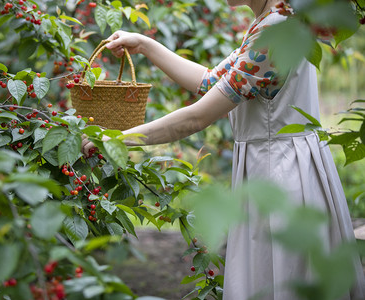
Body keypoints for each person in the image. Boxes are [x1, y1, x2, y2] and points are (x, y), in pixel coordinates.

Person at [81, 0, 365, 299]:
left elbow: (197, 117)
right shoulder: (276, 19)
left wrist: (116, 139)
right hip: (285, 168)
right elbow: (210, 82)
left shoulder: (275, 27)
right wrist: (145, 45)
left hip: (280, 176)